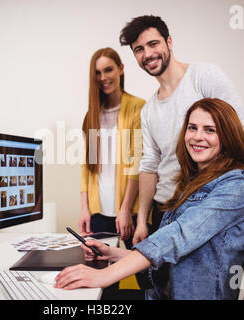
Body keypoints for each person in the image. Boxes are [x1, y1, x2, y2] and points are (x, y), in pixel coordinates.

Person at [55, 98, 244, 300]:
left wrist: (102, 276)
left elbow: (176, 237)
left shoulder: (236, 184)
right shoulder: (193, 182)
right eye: (192, 128)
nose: (197, 136)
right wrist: (112, 253)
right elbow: (171, 258)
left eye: (210, 130)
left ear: (228, 136)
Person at [118, 15, 244, 245]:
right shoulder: (149, 109)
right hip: (163, 212)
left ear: (169, 42)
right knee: (155, 280)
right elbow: (149, 165)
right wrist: (142, 221)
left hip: (202, 207)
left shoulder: (204, 77)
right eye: (139, 49)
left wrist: (230, 198)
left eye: (153, 44)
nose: (148, 54)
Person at [79, 47, 146, 248]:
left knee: (145, 275)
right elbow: (87, 166)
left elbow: (136, 163)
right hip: (98, 212)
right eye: (97, 73)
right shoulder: (92, 114)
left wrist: (124, 209)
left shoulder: (138, 107)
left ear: (121, 69)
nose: (103, 77)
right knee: (104, 276)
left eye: (108, 70)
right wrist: (85, 209)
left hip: (129, 210)